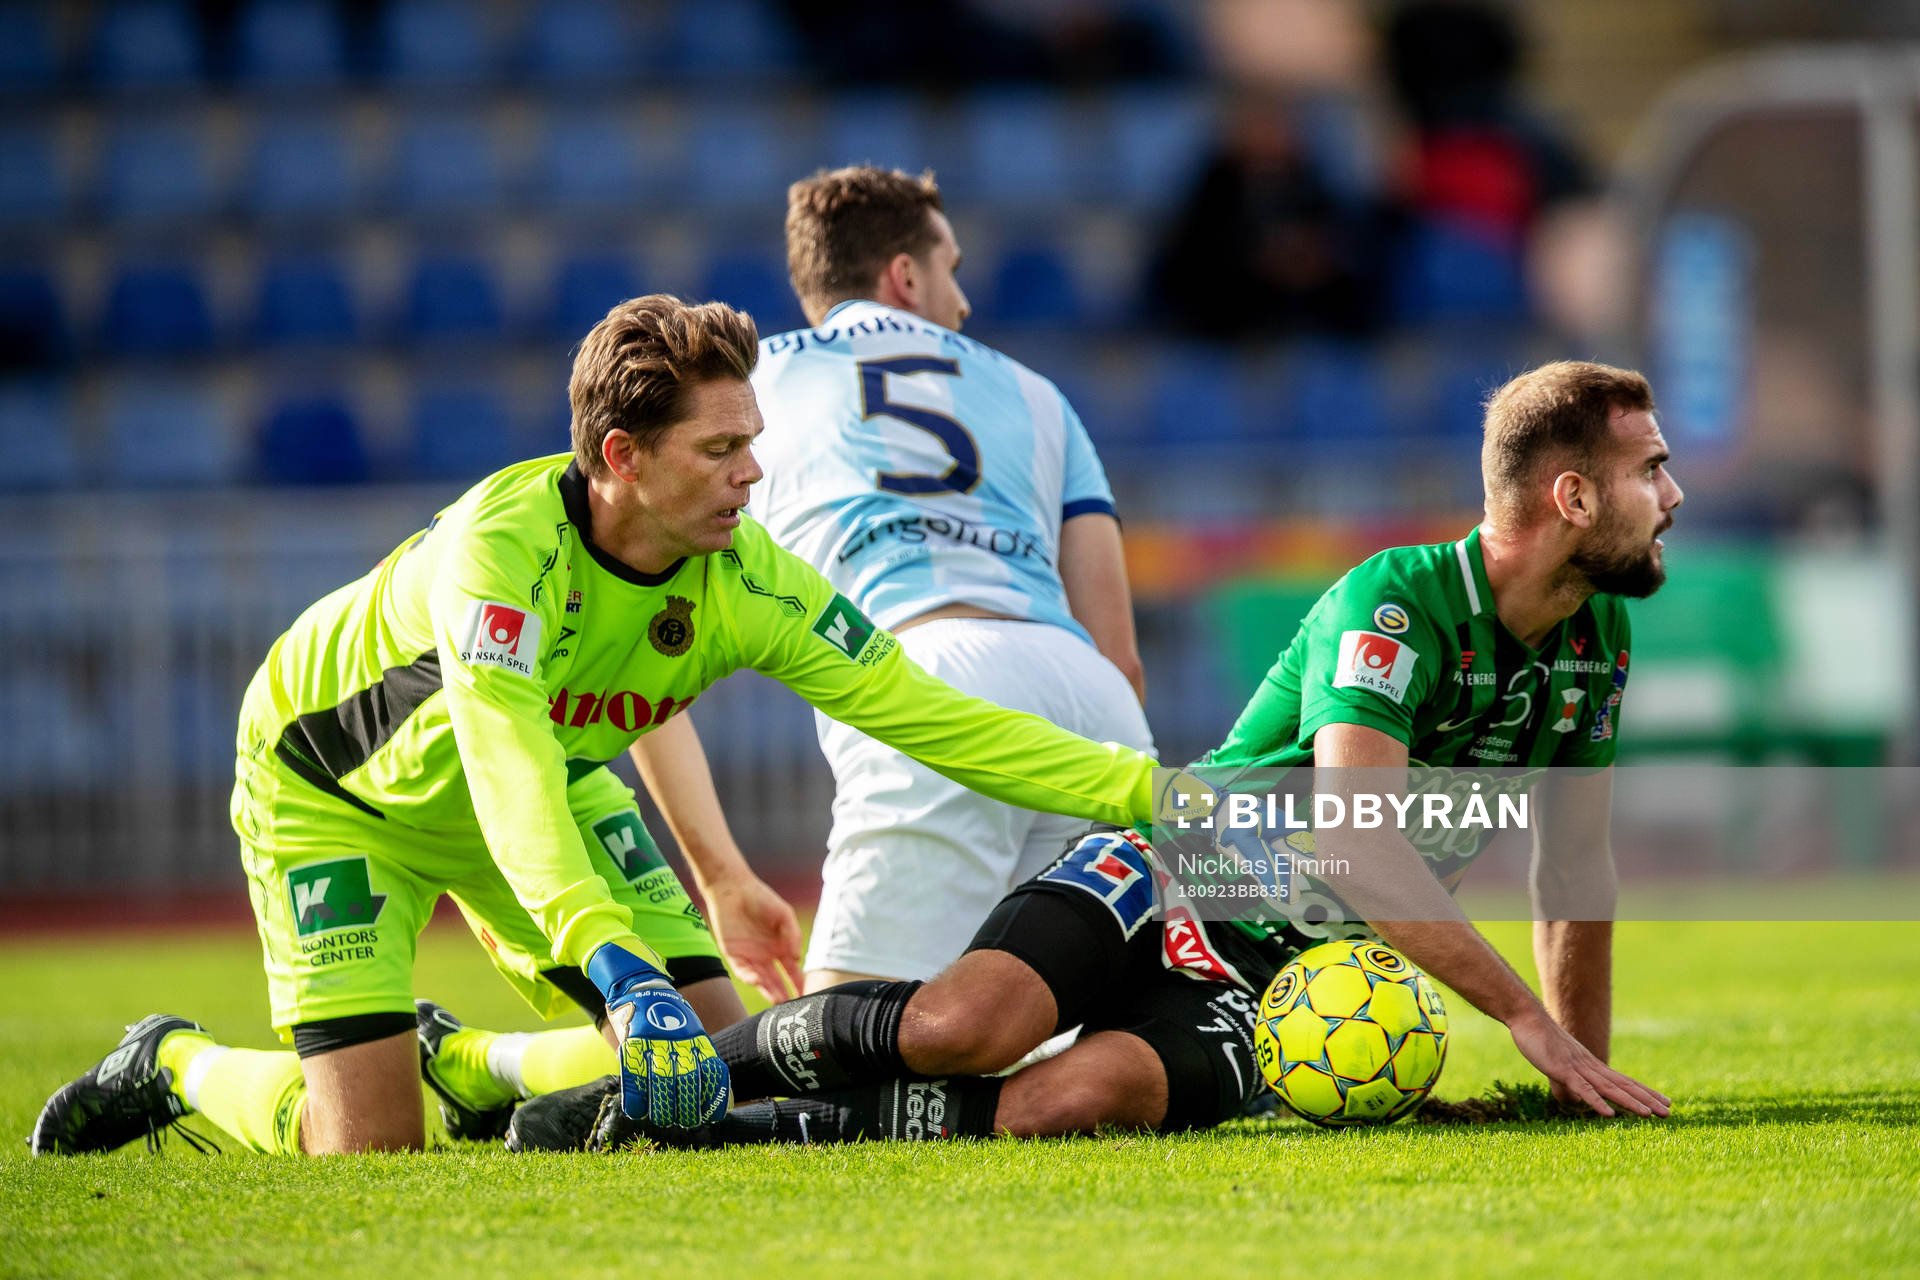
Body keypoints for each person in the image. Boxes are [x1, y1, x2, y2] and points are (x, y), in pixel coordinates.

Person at [29, 295, 1165, 1159]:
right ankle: (172, 1062)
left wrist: (1147, 795)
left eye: (753, 439)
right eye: (720, 450)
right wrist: (618, 964)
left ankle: (475, 1067)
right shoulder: (500, 555)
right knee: (364, 1149)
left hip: (544, 789)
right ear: (622, 458)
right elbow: (506, 760)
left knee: (733, 1073)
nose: (753, 472)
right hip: (336, 798)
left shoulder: (743, 575)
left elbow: (936, 719)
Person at [504, 358, 1680, 1149]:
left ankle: (723, 1128)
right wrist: (1523, 1016)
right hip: (1175, 868)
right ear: (1572, 495)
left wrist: (1578, 1072)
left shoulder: (1599, 636)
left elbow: (1573, 870)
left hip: (1283, 978)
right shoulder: (1399, 604)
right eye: (1650, 471)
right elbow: (1361, 845)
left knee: (1057, 1103)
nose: (1671, 494)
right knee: (961, 1026)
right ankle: (634, 1089)